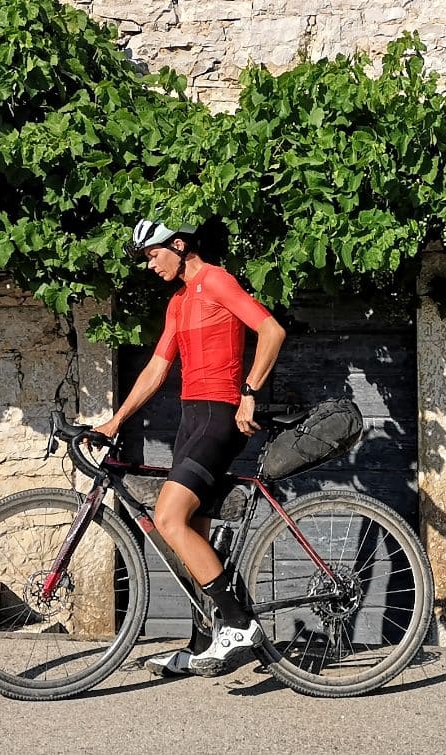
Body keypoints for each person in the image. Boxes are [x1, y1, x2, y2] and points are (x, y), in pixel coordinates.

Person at [91, 218, 287, 677]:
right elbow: (157, 368)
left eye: (153, 255)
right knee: (182, 536)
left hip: (219, 418)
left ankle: (238, 624)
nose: (150, 265)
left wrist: (251, 391)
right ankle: (203, 644)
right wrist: (115, 421)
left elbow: (271, 331)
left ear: (178, 246)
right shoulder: (179, 302)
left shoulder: (216, 280)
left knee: (167, 517)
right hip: (189, 420)